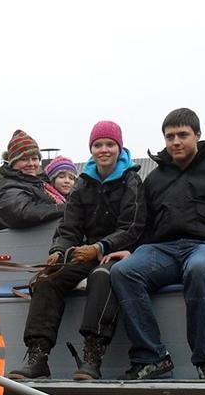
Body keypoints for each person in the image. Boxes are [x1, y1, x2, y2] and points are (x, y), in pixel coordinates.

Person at [109, 108, 205, 383]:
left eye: (182, 135)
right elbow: (143, 224)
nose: (175, 142)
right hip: (164, 249)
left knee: (198, 268)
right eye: (169, 136)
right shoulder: (156, 178)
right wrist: (131, 249)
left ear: (197, 135)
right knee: (124, 271)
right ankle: (152, 357)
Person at [9, 121, 145, 381]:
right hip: (87, 251)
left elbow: (133, 227)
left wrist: (99, 248)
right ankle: (38, 357)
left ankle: (93, 357)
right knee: (46, 279)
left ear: (119, 148)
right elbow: (69, 226)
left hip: (121, 252)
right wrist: (59, 251)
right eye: (98, 145)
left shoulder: (132, 181)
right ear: (91, 148)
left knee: (103, 277)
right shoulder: (83, 183)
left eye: (109, 144)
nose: (103, 149)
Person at [0, 129, 65, 230]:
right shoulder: (8, 188)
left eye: (34, 159)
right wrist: (65, 208)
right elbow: (22, 213)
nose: (31, 164)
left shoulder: (41, 183)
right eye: (24, 159)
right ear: (13, 163)